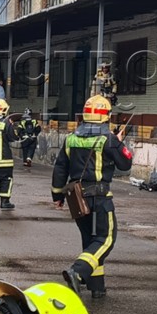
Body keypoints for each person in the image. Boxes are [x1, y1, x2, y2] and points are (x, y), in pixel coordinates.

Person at [51, 94, 133, 300]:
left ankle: (97, 288)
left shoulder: (71, 138)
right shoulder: (109, 139)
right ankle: (77, 272)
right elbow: (125, 164)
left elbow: (60, 167)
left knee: (90, 242)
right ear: (106, 116)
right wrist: (120, 143)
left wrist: (57, 195)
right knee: (105, 239)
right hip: (99, 198)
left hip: (77, 198)